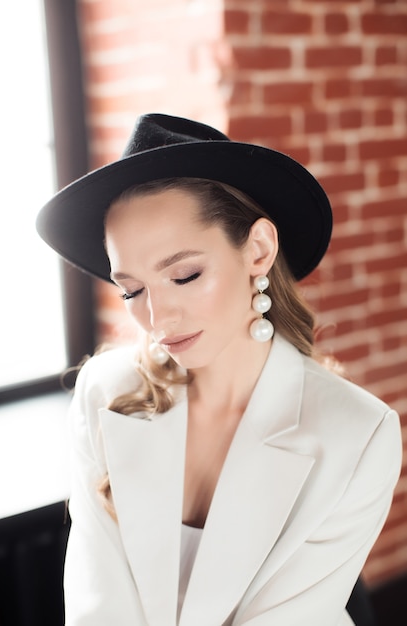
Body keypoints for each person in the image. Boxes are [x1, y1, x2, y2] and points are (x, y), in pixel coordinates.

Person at [36, 113, 402, 626]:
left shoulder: (359, 434)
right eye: (132, 290)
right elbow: (96, 607)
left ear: (257, 250)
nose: (157, 318)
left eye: (184, 275)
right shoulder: (105, 392)